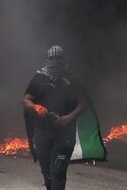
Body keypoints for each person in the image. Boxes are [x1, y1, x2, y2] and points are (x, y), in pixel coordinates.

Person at [22, 45, 86, 190]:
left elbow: (83, 104)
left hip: (65, 135)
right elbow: (26, 100)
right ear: (47, 59)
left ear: (63, 59)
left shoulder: (73, 79)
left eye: (58, 58)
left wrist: (69, 118)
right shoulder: (39, 78)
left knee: (58, 172)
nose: (55, 61)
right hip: (42, 134)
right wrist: (35, 107)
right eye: (52, 58)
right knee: (48, 174)